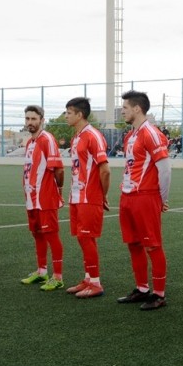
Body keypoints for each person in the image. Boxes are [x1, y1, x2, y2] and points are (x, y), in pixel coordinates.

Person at [115, 91, 172, 311]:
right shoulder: (131, 135)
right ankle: (141, 288)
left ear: (137, 108)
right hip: (128, 196)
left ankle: (159, 294)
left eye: (126, 107)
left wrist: (162, 197)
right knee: (133, 244)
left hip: (145, 196)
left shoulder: (151, 133)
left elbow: (165, 168)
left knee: (153, 245)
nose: (123, 110)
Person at [63, 97, 111, 298]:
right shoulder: (76, 137)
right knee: (82, 238)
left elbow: (105, 170)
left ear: (79, 114)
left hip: (89, 196)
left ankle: (96, 283)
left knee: (87, 237)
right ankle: (88, 279)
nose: (65, 116)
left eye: (68, 112)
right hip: (77, 196)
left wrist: (102, 194)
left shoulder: (93, 136)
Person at [19, 105, 66, 291]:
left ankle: (58, 277)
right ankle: (41, 271)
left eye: (33, 119)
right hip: (31, 198)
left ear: (41, 120)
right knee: (37, 234)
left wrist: (58, 190)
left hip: (45, 197)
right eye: (27, 119)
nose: (30, 122)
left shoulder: (47, 139)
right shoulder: (30, 142)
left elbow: (59, 169)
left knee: (51, 235)